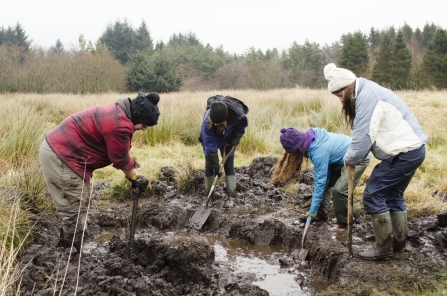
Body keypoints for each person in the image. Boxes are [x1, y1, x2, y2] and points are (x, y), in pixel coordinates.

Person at [324, 63, 427, 260]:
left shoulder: (366, 96)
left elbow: (362, 136)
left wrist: (350, 158)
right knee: (393, 194)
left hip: (403, 153)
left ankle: (383, 248)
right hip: (412, 150)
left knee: (373, 194)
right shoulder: (368, 90)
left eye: (340, 96)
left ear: (347, 88)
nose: (340, 100)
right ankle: (398, 244)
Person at [39, 92, 160, 251]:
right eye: (144, 125)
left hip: (62, 152)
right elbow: (120, 158)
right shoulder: (120, 124)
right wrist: (136, 178)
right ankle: (68, 256)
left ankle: (69, 248)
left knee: (79, 203)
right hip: (62, 156)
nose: (144, 129)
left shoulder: (119, 111)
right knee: (74, 210)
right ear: (137, 116)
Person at [271, 127, 369, 231]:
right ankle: (321, 216)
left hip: (358, 158)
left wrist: (312, 210)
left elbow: (319, 182)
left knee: (339, 191)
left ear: (300, 146)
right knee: (326, 185)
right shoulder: (310, 138)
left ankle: (344, 223)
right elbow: (323, 181)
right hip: (340, 159)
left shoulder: (318, 150)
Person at [199, 95, 248, 207]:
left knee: (229, 165)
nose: (215, 124)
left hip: (228, 138)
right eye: (214, 122)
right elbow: (210, 146)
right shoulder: (207, 121)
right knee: (209, 165)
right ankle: (210, 197)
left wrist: (235, 141)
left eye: (218, 123)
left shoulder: (238, 115)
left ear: (225, 119)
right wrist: (216, 168)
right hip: (212, 138)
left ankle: (231, 196)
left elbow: (242, 127)